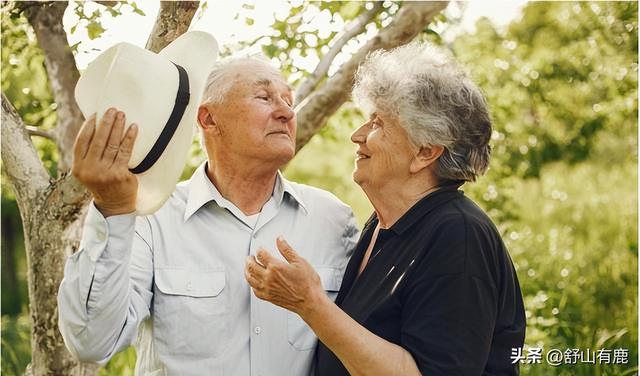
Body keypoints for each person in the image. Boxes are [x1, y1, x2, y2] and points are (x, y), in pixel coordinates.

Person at [58, 57, 359, 376]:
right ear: (209, 119)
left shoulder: (334, 219)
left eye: (288, 100)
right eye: (264, 97)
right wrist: (112, 210)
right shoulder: (151, 218)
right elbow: (92, 342)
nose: (286, 112)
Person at [245, 42, 526, 376]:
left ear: (425, 152)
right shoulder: (384, 224)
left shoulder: (458, 235)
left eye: (377, 123)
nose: (357, 135)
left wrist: (311, 305)